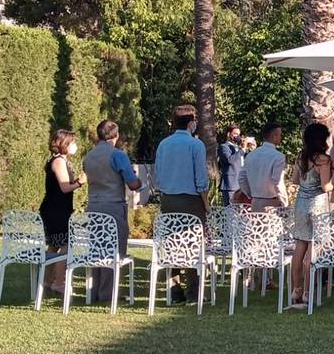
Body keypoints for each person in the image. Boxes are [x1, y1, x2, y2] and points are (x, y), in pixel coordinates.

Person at [154, 104, 210, 303]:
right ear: (192, 122)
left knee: (171, 244)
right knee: (193, 245)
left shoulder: (164, 144)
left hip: (168, 199)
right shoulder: (196, 145)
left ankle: (174, 290)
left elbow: (158, 175)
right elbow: (201, 179)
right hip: (191, 199)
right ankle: (193, 293)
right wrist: (206, 203)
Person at [84, 120, 142, 304]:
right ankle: (108, 293)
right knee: (113, 250)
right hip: (113, 205)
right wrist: (139, 181)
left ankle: (92, 291)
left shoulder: (89, 156)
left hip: (93, 205)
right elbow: (132, 183)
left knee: (96, 249)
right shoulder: (117, 155)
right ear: (115, 136)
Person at [289, 123, 334, 308]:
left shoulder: (301, 157)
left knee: (299, 247)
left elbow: (294, 180)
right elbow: (326, 186)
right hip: (317, 205)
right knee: (313, 250)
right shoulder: (323, 160)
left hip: (300, 204)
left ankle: (296, 289)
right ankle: (308, 291)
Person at [39, 130, 84, 295]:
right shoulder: (58, 161)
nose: (75, 146)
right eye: (72, 142)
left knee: (54, 245)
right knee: (64, 245)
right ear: (64, 144)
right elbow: (65, 187)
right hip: (55, 210)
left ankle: (46, 281)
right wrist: (80, 182)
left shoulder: (63, 161)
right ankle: (59, 282)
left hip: (59, 209)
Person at [238, 122, 288, 212]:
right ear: (274, 136)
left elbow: (242, 178)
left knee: (256, 226)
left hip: (255, 201)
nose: (281, 137)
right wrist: (284, 202)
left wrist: (250, 194)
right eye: (280, 135)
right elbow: (278, 181)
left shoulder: (251, 155)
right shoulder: (278, 156)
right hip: (272, 203)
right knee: (272, 226)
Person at [217, 124, 244, 205]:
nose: (237, 137)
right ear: (229, 134)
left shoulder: (239, 148)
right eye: (235, 134)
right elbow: (229, 160)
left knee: (240, 213)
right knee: (230, 212)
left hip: (241, 185)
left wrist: (252, 150)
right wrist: (243, 150)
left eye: (239, 134)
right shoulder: (224, 147)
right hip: (230, 185)